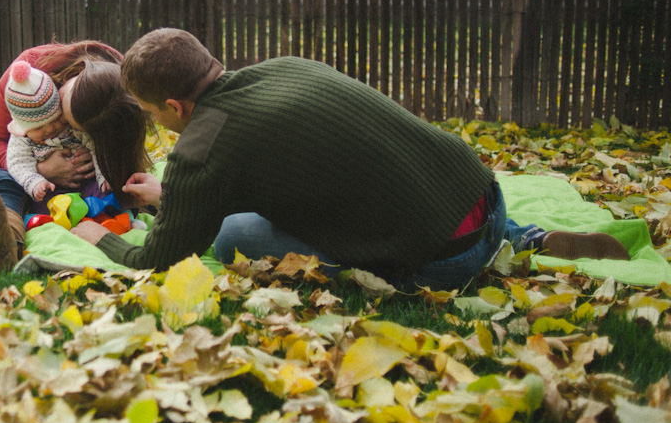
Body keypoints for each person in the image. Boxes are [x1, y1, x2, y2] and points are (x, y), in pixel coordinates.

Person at [71, 28, 629, 291]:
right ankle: (521, 237)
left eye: (149, 113)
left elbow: (160, 259)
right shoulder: (280, 68)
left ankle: (468, 260)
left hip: (439, 259)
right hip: (480, 196)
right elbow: (268, 168)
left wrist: (105, 240)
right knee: (357, 185)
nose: (152, 122)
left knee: (231, 237)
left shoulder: (202, 147)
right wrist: (174, 196)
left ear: (173, 106)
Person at [0, 41, 151, 272]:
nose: (56, 127)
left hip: (74, 180)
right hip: (6, 171)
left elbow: (123, 156)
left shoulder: (122, 91)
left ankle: (110, 219)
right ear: (72, 78)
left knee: (110, 183)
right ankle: (6, 242)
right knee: (4, 185)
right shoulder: (27, 76)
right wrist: (41, 169)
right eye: (62, 113)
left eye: (64, 123)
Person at [2, 60, 108, 202]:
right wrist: (36, 182)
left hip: (86, 180)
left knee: (105, 192)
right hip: (52, 188)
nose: (50, 128)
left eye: (54, 119)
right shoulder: (21, 139)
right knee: (42, 202)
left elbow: (96, 146)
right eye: (39, 127)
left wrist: (103, 175)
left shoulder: (70, 125)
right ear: (23, 127)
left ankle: (113, 214)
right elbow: (18, 164)